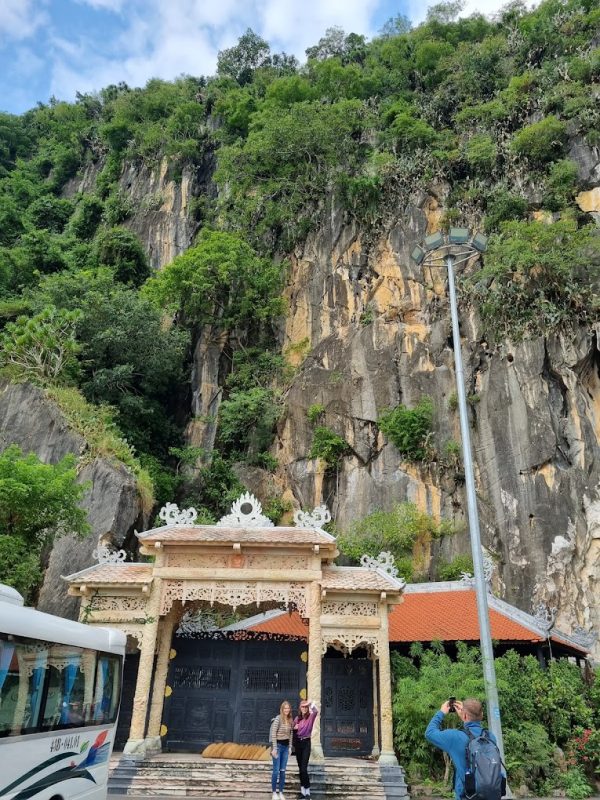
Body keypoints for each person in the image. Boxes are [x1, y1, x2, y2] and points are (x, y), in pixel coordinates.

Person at [425, 698, 500, 800]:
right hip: (491, 795)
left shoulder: (455, 737)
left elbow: (429, 733)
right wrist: (465, 715)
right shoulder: (490, 737)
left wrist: (442, 712)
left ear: (464, 716)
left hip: (467, 796)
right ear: (482, 715)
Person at [293, 699, 319, 798]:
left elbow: (316, 711)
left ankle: (308, 791)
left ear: (307, 708)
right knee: (300, 768)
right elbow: (291, 728)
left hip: (306, 743)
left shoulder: (310, 717)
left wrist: (309, 703)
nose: (304, 708)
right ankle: (303, 791)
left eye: (305, 707)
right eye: (302, 706)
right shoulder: (297, 718)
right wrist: (294, 728)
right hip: (298, 744)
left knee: (304, 768)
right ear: (300, 708)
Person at [270, 700, 293, 800]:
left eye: (288, 708)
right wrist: (274, 748)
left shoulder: (290, 720)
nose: (287, 710)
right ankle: (274, 792)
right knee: (276, 771)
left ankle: (281, 792)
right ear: (282, 709)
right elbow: (273, 734)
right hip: (277, 747)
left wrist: (290, 747)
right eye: (285, 708)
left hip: (285, 747)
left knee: (283, 771)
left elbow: (291, 734)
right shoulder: (278, 719)